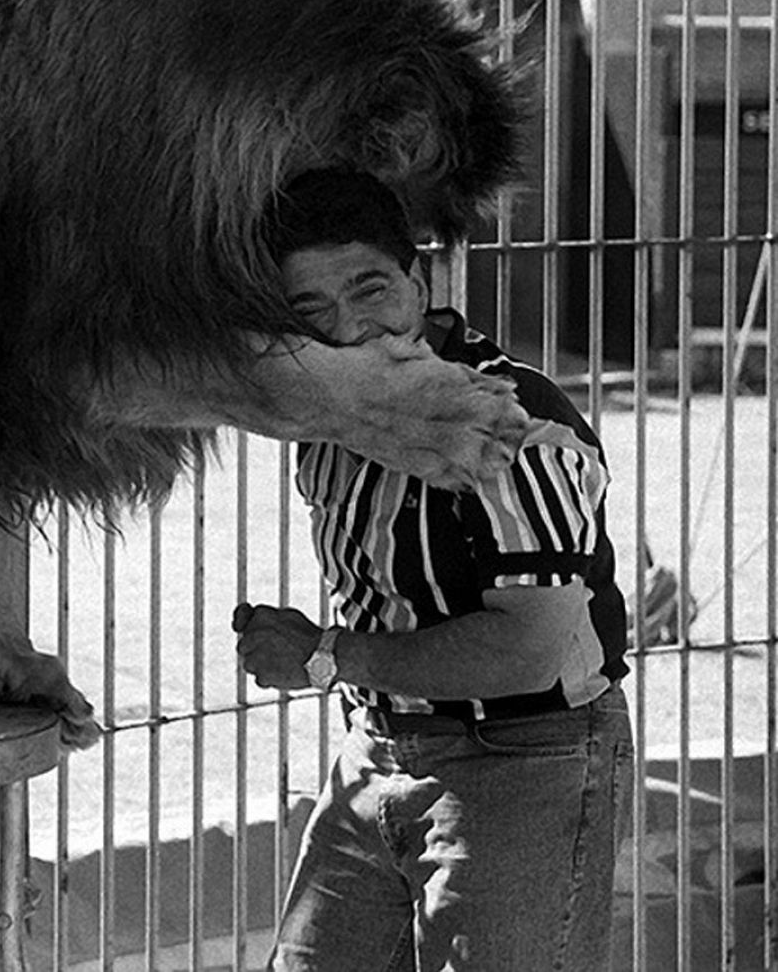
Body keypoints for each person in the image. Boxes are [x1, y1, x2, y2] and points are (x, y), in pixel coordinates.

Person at [234, 170, 633, 972]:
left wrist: (326, 655)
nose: (347, 329)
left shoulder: (511, 420)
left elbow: (527, 650)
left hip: (523, 759)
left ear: (421, 283)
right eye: (310, 312)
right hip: (377, 747)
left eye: (370, 289)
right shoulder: (329, 413)